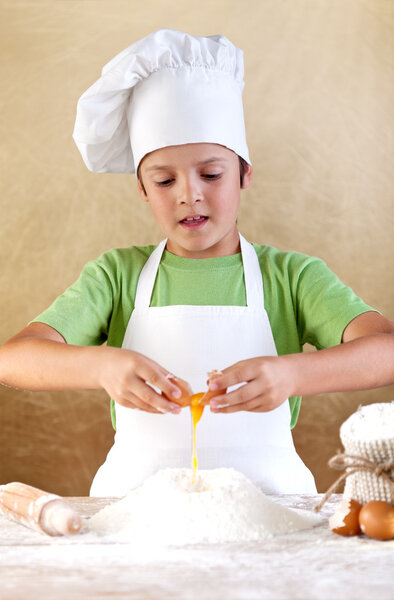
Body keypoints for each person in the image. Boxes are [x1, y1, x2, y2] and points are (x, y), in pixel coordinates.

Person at [0, 29, 393, 497]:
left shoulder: (291, 277)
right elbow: (14, 360)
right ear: (142, 189)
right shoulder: (115, 275)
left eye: (210, 173)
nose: (190, 194)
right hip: (137, 515)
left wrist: (291, 374)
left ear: (245, 173)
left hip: (271, 513)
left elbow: (386, 351)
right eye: (164, 180)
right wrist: (100, 366)